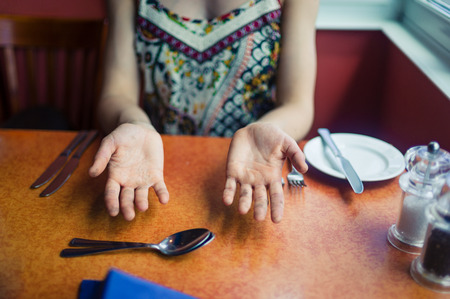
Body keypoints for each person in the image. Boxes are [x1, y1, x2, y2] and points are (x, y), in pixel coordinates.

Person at [89, 0, 319, 223]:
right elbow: (115, 94)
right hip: (152, 170)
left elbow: (297, 104)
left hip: (254, 171)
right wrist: (136, 123)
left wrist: (271, 128)